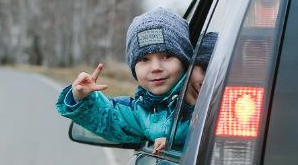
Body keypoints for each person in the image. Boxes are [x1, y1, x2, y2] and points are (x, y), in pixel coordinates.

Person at [55, 8, 194, 147]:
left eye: (166, 56)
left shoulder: (201, 93)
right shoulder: (142, 112)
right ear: (134, 68)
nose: (155, 67)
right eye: (144, 59)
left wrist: (201, 64)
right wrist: (81, 99)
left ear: (185, 60)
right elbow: (107, 119)